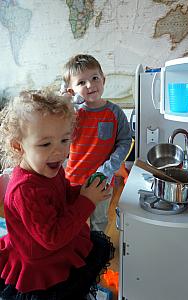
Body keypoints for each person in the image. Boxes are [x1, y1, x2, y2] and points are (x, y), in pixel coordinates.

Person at [0, 89, 114, 300]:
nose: (59, 152)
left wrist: (81, 191)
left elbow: (59, 195)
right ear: (18, 146)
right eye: (45, 144)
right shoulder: (25, 190)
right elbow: (52, 238)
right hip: (41, 263)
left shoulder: (49, 167)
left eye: (64, 140)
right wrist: (86, 201)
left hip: (58, 247)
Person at [61, 54, 132, 232]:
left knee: (98, 222)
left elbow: (124, 142)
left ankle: (97, 254)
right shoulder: (72, 114)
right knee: (72, 220)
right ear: (71, 89)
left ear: (103, 79)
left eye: (94, 78)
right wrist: (66, 100)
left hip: (101, 180)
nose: (90, 85)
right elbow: (58, 132)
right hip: (73, 180)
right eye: (81, 83)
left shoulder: (115, 112)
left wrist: (108, 168)